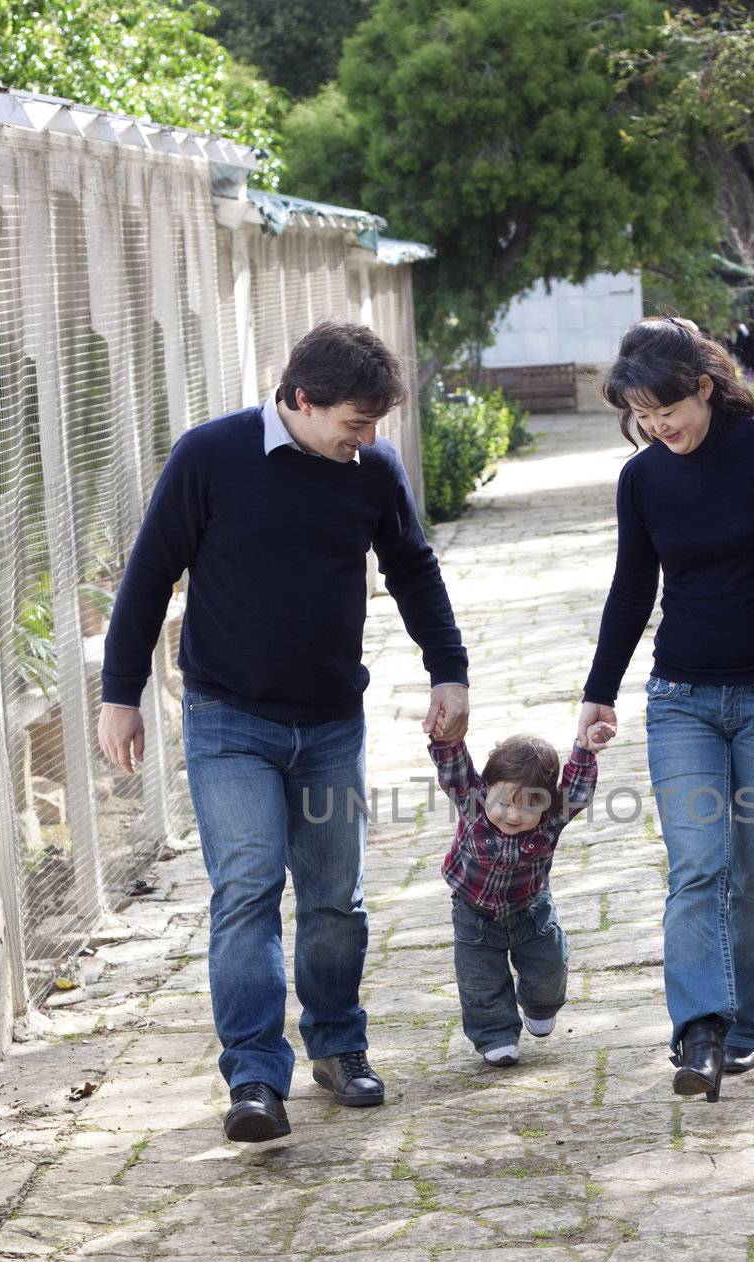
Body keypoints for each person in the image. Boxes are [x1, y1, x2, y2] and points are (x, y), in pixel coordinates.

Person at [98, 320, 469, 1143]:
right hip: (228, 718)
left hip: (332, 722)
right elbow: (151, 573)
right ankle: (256, 1077)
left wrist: (449, 668)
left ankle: (338, 1046)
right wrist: (119, 692)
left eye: (373, 427)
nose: (365, 440)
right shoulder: (210, 455)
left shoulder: (372, 469)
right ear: (301, 401)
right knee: (249, 887)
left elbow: (411, 567)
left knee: (336, 899)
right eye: (353, 424)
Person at [578, 315, 754, 1103]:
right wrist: (598, 692)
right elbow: (631, 590)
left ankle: (744, 1027)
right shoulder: (642, 478)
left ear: (703, 387)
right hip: (682, 702)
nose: (654, 425)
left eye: (664, 409)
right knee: (697, 864)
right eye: (639, 415)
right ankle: (698, 1031)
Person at [427, 723, 610, 1065]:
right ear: (486, 790)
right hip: (473, 911)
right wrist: (445, 735)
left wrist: (585, 751)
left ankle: (541, 1005)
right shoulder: (472, 801)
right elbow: (453, 767)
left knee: (548, 967)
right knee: (479, 980)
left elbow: (578, 791)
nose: (513, 815)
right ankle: (495, 1034)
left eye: (528, 807)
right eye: (504, 803)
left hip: (530, 908)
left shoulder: (553, 817)